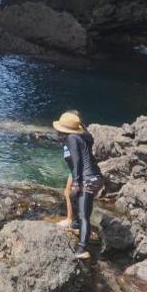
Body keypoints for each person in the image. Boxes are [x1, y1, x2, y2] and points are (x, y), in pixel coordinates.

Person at [53, 111, 104, 260]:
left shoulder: (72, 138)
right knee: (73, 198)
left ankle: (81, 248)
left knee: (83, 215)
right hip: (95, 178)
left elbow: (77, 162)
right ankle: (76, 226)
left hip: (88, 179)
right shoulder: (82, 137)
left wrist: (77, 183)